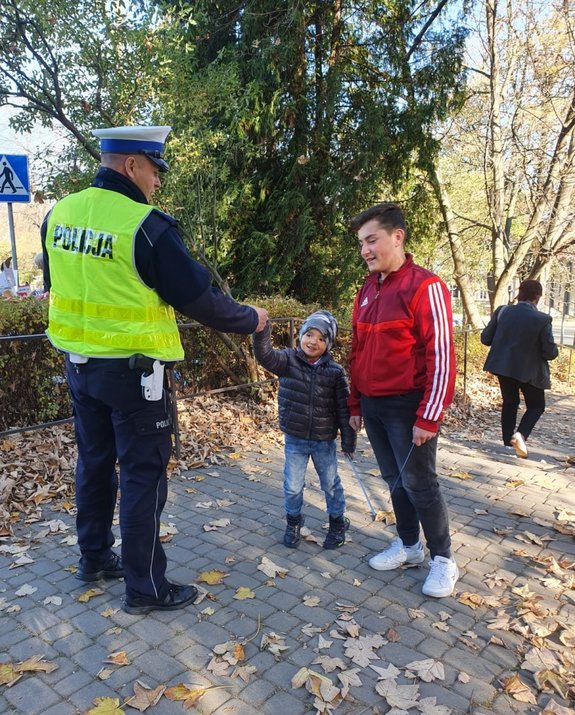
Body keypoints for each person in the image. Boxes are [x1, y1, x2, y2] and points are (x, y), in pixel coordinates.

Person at [41, 125, 268, 615]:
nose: (158, 182)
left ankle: (95, 557)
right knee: (143, 475)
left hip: (79, 369)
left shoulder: (58, 214)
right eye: (155, 170)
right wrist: (253, 318)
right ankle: (145, 589)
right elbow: (200, 301)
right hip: (135, 376)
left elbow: (55, 283)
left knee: (95, 462)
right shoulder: (145, 226)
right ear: (131, 166)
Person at [348, 203, 458, 598]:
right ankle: (410, 547)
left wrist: (429, 416)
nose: (365, 249)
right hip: (374, 408)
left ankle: (443, 560)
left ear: (397, 237)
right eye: (361, 242)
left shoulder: (425, 286)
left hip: (409, 408)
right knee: (394, 481)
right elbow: (357, 351)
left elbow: (441, 355)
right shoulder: (366, 290)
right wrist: (356, 404)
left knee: (420, 483)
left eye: (371, 239)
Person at [253, 311, 356, 549]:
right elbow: (265, 355)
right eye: (309, 334)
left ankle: (338, 522)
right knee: (292, 486)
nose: (313, 341)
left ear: (327, 344)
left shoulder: (335, 372)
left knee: (330, 484)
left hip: (323, 440)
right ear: (301, 336)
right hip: (295, 439)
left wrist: (348, 442)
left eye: (321, 338)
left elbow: (343, 409)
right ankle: (293, 522)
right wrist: (261, 330)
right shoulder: (288, 361)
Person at [480, 279, 559, 459]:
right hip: (529, 371)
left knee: (510, 402)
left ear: (520, 293)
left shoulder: (503, 311)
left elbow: (486, 339)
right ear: (537, 297)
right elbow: (549, 352)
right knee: (537, 405)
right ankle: (520, 435)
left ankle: (508, 443)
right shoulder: (542, 319)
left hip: (503, 366)